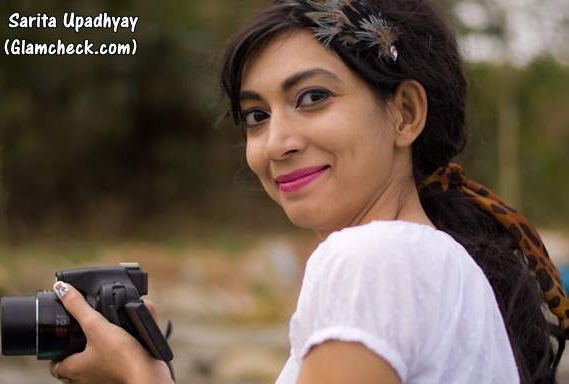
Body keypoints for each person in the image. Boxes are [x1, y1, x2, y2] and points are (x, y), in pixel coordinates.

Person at [49, 0, 568, 383]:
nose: (276, 143)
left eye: (313, 97)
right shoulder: (444, 268)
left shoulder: (375, 258)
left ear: (405, 113)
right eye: (256, 116)